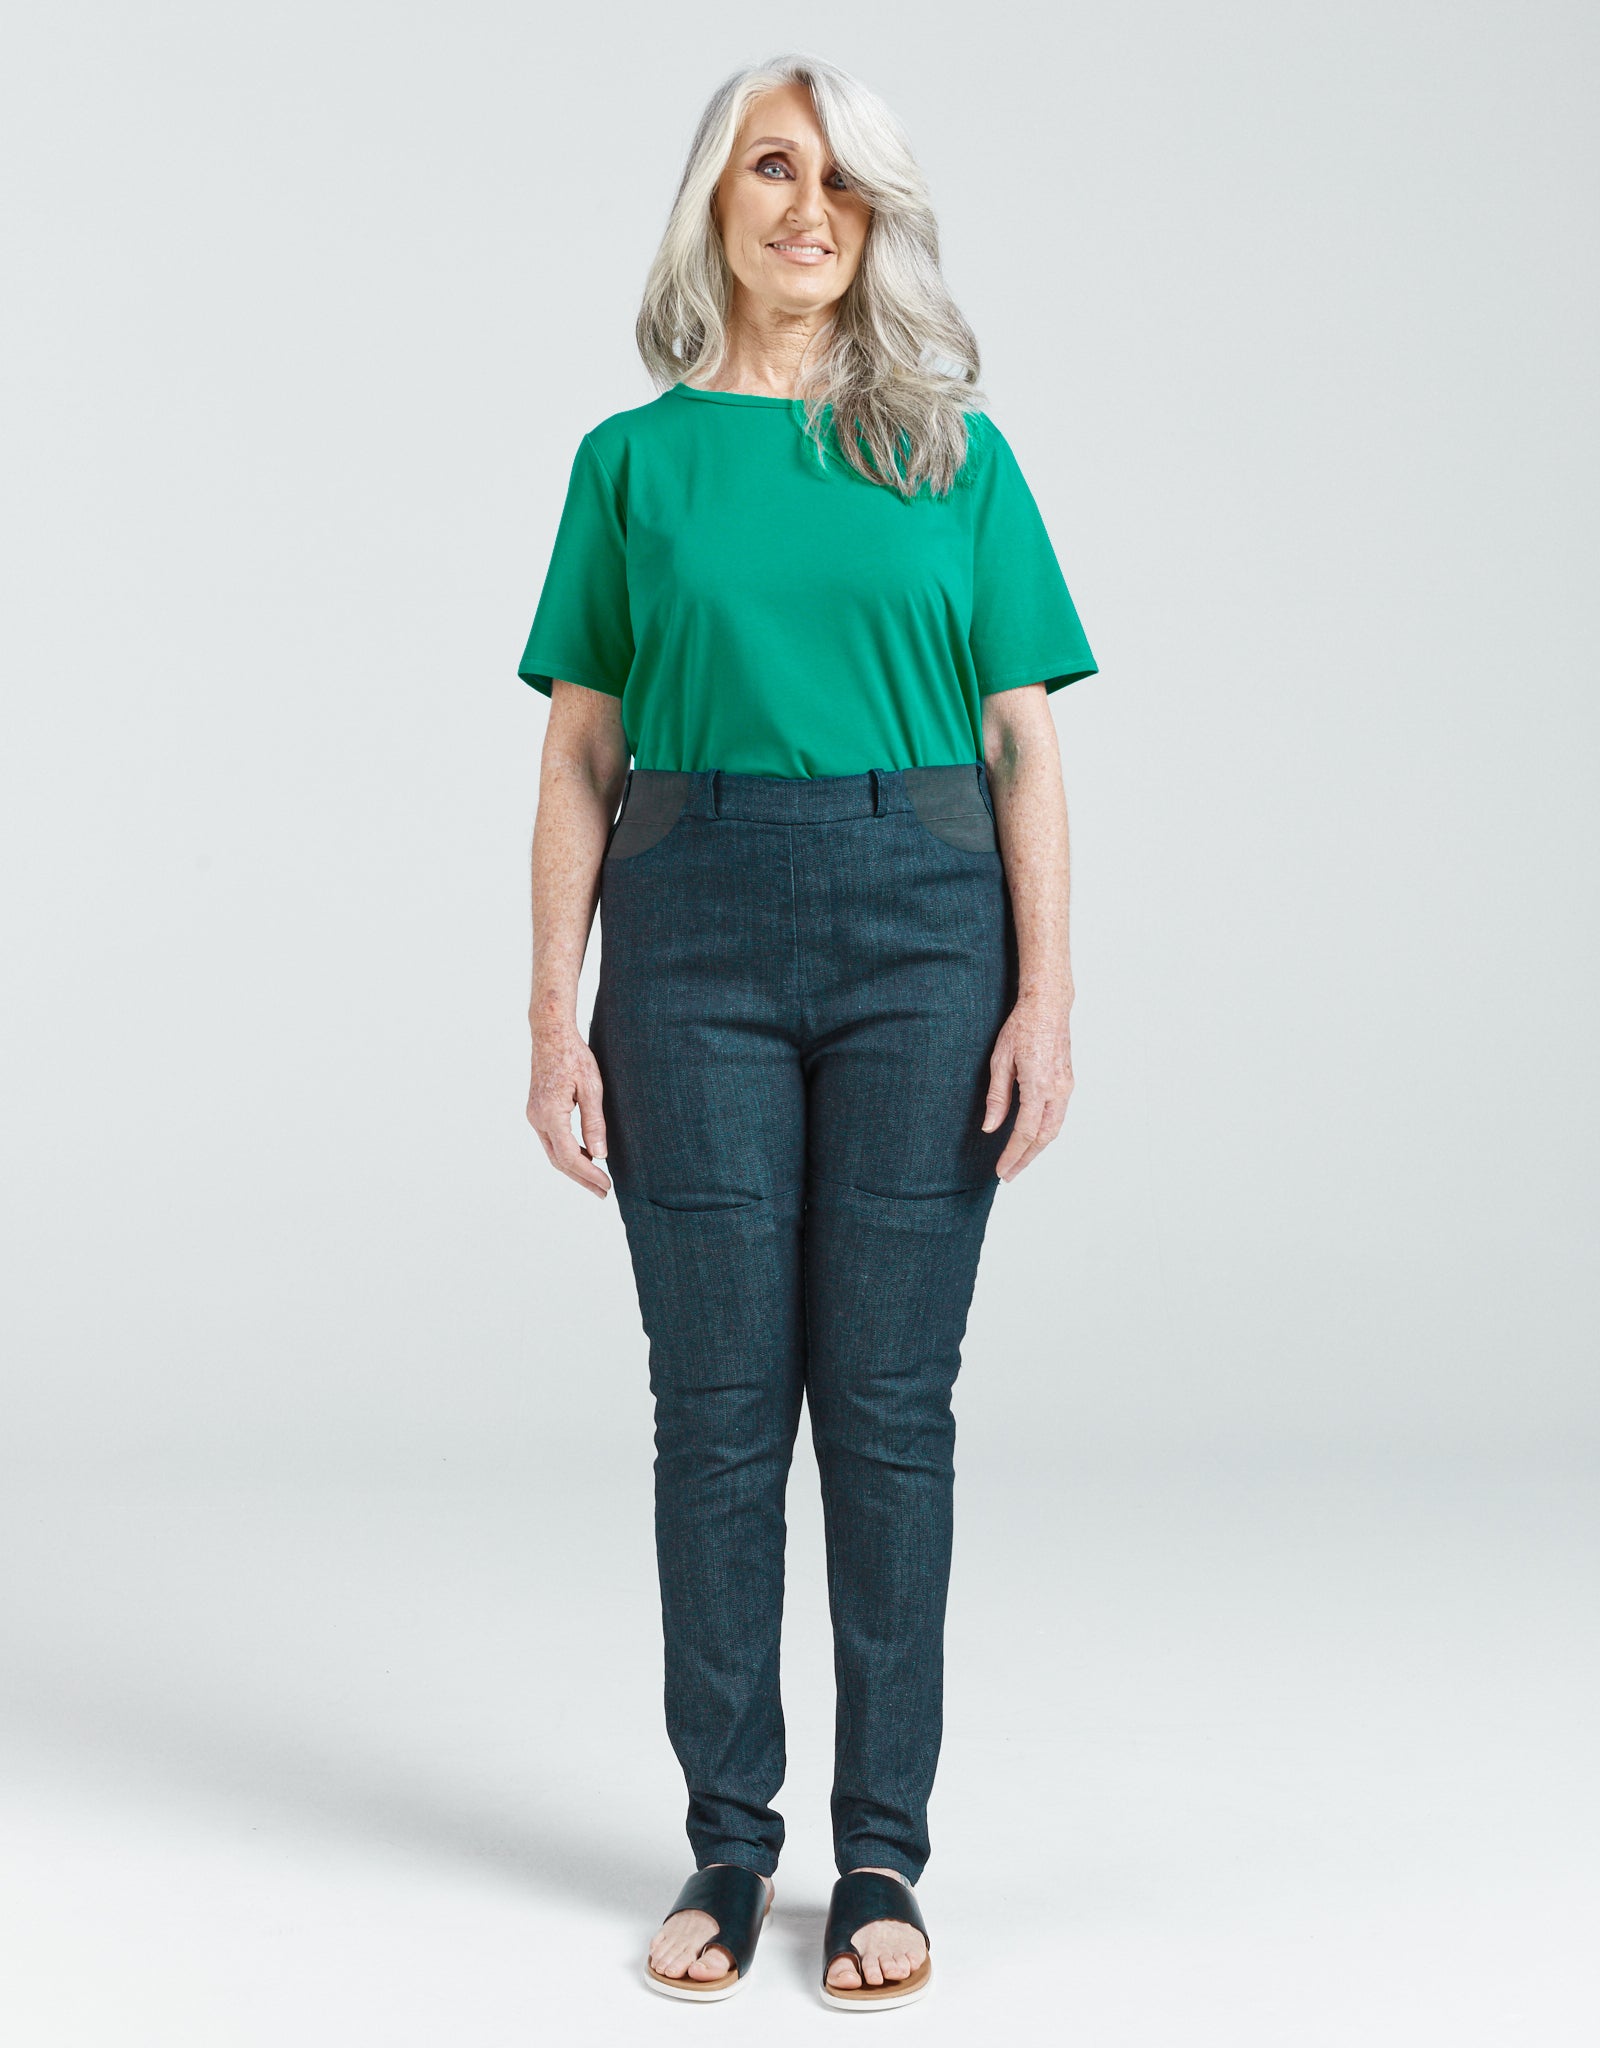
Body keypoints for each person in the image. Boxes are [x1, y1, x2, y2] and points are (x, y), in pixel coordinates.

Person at [519, 53, 1097, 2011]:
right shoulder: (632, 465)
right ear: (716, 201)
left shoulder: (955, 458)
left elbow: (1021, 743)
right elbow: (579, 754)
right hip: (687, 926)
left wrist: (1044, 995)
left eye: (842, 181)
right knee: (712, 1408)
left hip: (922, 923)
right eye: (773, 169)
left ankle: (879, 1854)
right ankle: (724, 1839)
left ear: (877, 222)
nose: (806, 209)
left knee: (886, 1407)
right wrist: (550, 1016)